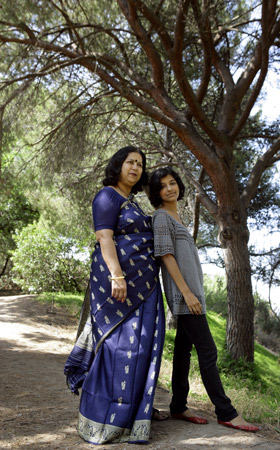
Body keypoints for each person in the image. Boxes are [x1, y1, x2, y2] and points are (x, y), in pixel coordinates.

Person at [64, 146, 166, 445]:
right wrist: (117, 275)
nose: (135, 167)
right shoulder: (107, 196)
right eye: (130, 162)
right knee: (116, 349)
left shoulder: (131, 201)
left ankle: (130, 419)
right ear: (118, 165)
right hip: (118, 286)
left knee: (139, 349)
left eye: (140, 164)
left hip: (144, 287)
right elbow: (104, 236)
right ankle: (99, 421)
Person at [148, 166, 259, 433]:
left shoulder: (177, 218)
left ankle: (178, 405)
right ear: (156, 192)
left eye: (172, 182)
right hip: (184, 296)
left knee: (184, 352)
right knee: (208, 351)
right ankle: (227, 412)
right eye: (163, 186)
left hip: (192, 295)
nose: (170, 188)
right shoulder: (161, 217)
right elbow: (165, 255)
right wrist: (186, 293)